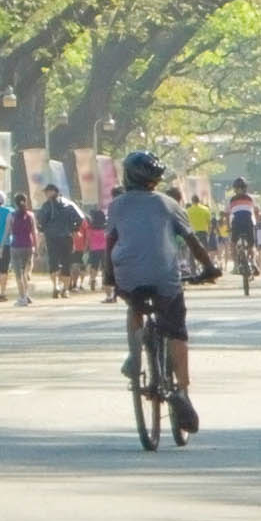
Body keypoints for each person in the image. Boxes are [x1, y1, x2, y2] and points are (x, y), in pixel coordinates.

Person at [102, 153, 216, 439]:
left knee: (135, 307)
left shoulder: (116, 205)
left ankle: (134, 356)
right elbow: (192, 241)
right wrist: (209, 268)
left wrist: (109, 277)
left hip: (128, 274)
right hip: (165, 276)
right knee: (177, 331)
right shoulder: (170, 204)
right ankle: (182, 391)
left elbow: (110, 243)